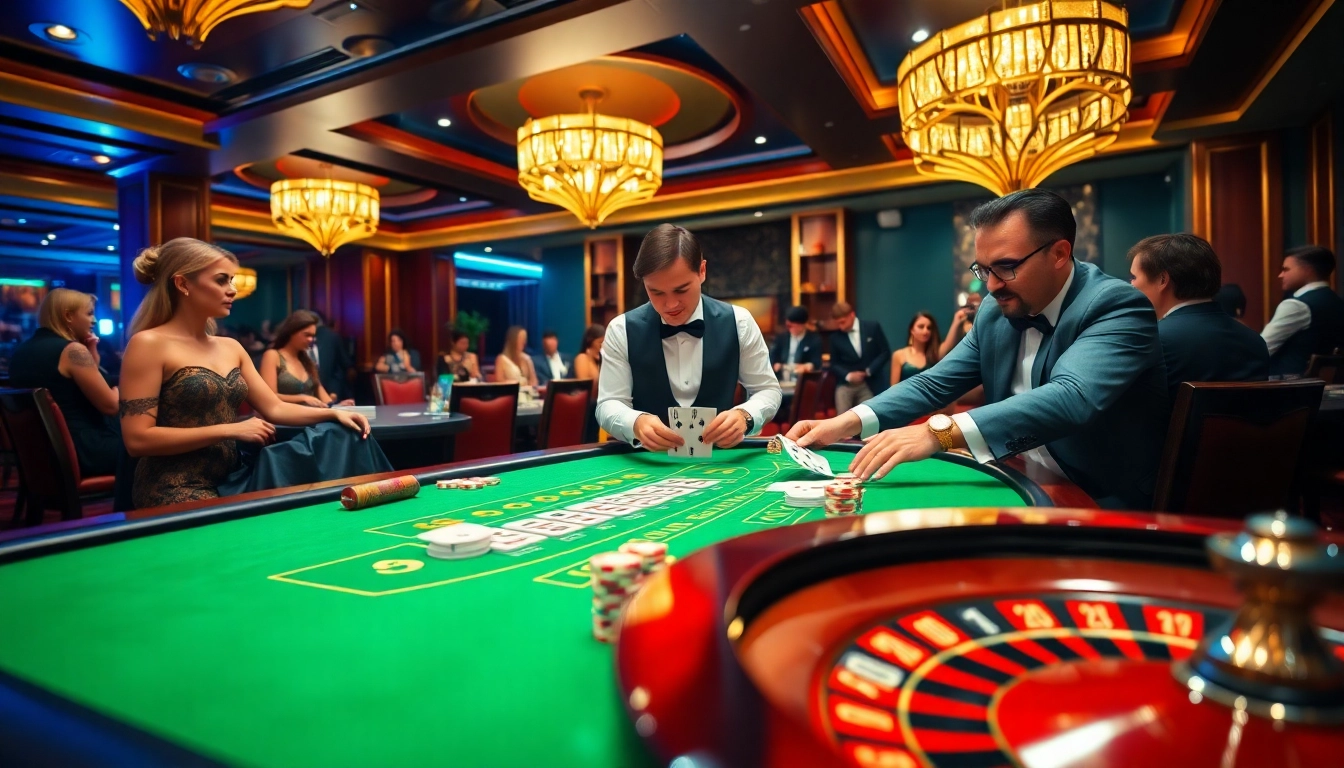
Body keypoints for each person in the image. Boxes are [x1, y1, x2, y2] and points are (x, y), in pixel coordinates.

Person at [787, 189, 1168, 510]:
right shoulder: (995, 309)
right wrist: (845, 422)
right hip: (1017, 474)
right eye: (983, 270)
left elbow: (1072, 396)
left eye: (1005, 267)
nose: (991, 286)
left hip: (1102, 496)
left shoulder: (1116, 305)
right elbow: (933, 384)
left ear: (1059, 253)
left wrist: (939, 434)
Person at [118, 238, 384, 509]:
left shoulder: (231, 346)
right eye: (221, 280)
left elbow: (275, 408)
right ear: (183, 284)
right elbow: (137, 439)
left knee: (331, 449)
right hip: (176, 485)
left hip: (234, 476)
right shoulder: (148, 344)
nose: (232, 290)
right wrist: (230, 430)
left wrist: (333, 412)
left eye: (232, 280)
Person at [597, 223, 781, 450]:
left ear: (702, 271)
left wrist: (746, 416)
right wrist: (635, 422)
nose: (671, 304)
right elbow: (608, 404)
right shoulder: (621, 329)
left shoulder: (739, 322)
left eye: (681, 290)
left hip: (721, 461)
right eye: (656, 292)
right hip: (647, 463)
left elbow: (767, 389)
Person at [1128, 234, 1269, 399]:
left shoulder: (1151, 340)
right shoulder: (1255, 341)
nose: (1130, 285)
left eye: (1134, 277)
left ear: (1162, 280)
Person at [9, 289, 120, 476]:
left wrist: (90, 350)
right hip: (85, 452)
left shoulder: (21, 351)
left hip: (45, 455)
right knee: (153, 448)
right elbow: (110, 406)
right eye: (89, 313)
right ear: (68, 316)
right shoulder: (72, 351)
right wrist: (122, 389)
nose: (94, 321)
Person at [1262, 245, 1344, 377]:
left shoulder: (1296, 305)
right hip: (1329, 388)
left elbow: (1262, 349)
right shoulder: (1337, 302)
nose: (1280, 275)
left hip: (1288, 386)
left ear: (1307, 270)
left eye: (1286, 269)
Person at [259, 310, 355, 407]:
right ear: (292, 332)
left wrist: (338, 406)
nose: (311, 339)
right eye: (307, 335)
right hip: (284, 419)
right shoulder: (273, 355)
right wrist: (302, 398)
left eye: (313, 336)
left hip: (311, 418)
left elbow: (325, 400)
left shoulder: (307, 360)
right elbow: (269, 397)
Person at [827, 302, 890, 413]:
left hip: (870, 382)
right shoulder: (835, 338)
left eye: (842, 322)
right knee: (842, 420)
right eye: (838, 324)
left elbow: (885, 352)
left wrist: (870, 370)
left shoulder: (872, 327)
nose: (840, 327)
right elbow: (834, 364)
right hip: (846, 384)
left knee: (869, 418)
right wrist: (848, 376)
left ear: (851, 315)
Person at [309, 309, 354, 402]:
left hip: (329, 396)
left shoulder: (331, 338)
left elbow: (343, 367)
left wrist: (334, 401)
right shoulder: (333, 337)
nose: (310, 339)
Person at [769, 306, 822, 377]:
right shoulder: (781, 338)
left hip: (802, 378)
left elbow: (816, 362)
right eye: (788, 326)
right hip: (782, 375)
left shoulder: (814, 340)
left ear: (802, 325)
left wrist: (808, 366)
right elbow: (772, 357)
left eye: (791, 326)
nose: (789, 328)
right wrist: (775, 364)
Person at [891, 312, 941, 384]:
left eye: (929, 328)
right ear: (912, 330)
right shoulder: (899, 355)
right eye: (921, 327)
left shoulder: (934, 354)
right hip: (905, 395)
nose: (925, 331)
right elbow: (893, 389)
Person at [939, 292, 982, 358]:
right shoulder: (960, 325)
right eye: (971, 306)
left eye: (977, 306)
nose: (974, 309)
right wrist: (956, 323)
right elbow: (945, 351)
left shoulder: (984, 323)